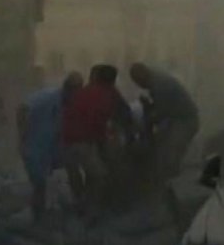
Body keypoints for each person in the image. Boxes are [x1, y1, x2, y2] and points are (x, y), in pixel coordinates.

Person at [61, 64, 132, 218]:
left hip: (68, 139)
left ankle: (81, 204)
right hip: (82, 140)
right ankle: (92, 210)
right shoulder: (108, 93)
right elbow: (120, 115)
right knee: (101, 175)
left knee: (84, 174)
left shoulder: (86, 91)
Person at [16, 72, 83, 222]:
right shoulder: (48, 97)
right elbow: (22, 108)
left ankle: (78, 204)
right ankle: (38, 216)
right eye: (75, 91)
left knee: (72, 164)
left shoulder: (70, 103)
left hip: (51, 147)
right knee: (39, 184)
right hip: (34, 145)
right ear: (67, 89)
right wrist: (22, 136)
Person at [129, 63, 200, 190]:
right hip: (178, 119)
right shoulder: (156, 81)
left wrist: (149, 119)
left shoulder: (159, 85)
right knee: (164, 149)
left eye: (138, 82)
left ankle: (173, 187)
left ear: (142, 76)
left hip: (185, 120)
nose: (139, 86)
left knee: (170, 155)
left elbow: (162, 112)